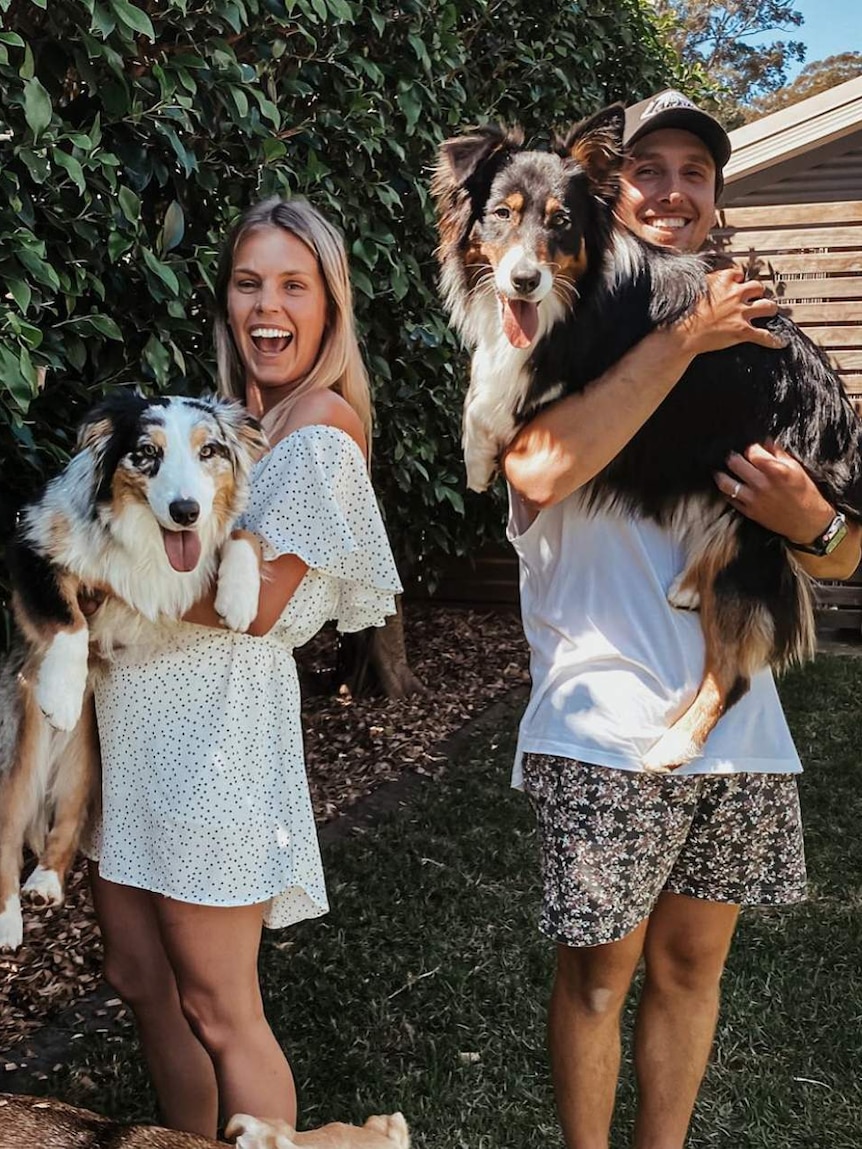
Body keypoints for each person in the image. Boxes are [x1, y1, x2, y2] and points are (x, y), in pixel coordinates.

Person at [502, 90, 862, 1149]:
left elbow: (847, 550)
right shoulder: (548, 328)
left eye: (693, 173)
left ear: (715, 199)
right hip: (603, 720)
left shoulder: (757, 344)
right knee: (599, 976)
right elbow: (538, 465)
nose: (670, 188)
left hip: (736, 728)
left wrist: (815, 524)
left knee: (692, 967)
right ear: (604, 193)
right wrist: (679, 337)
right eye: (647, 167)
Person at [86, 198, 402, 1137]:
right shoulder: (234, 426)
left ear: (330, 305)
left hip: (215, 745)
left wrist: (96, 571)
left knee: (220, 1008)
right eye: (248, 283)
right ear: (226, 301)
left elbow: (254, 602)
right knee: (143, 983)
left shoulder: (321, 432)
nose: (268, 306)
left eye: (293, 285)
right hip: (138, 735)